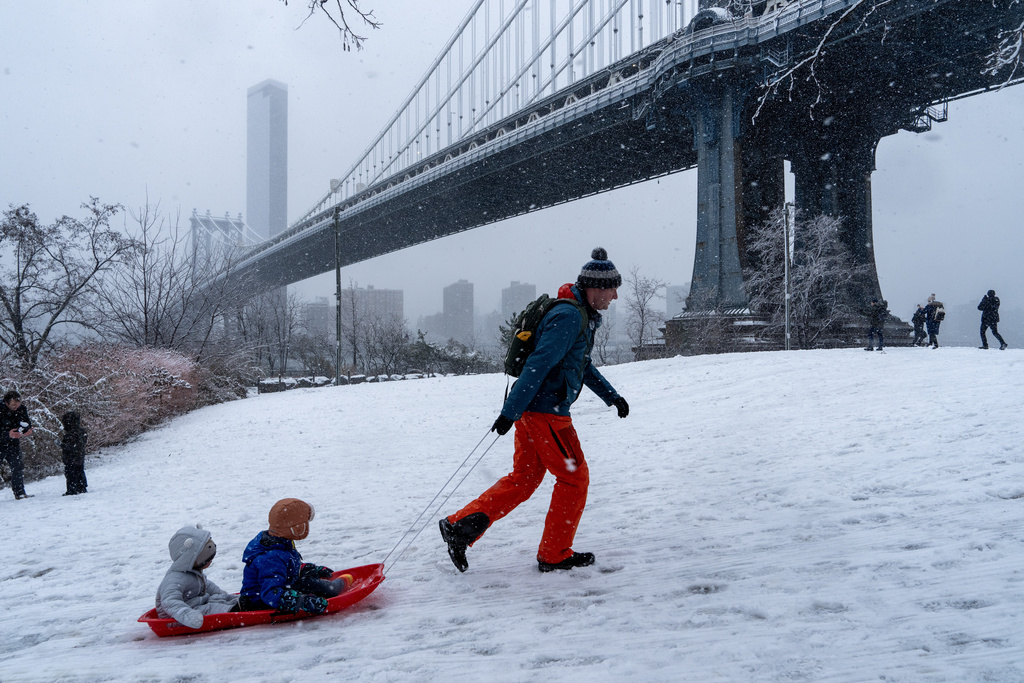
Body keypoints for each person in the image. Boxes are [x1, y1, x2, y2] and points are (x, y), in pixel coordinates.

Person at [440, 247, 629, 574]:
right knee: (574, 479)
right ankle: (554, 554)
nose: (614, 296)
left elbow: (580, 364)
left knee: (524, 478)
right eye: (611, 289)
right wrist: (509, 412)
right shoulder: (569, 316)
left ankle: (460, 527)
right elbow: (537, 365)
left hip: (534, 411)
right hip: (547, 415)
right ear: (595, 288)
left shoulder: (577, 314)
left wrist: (611, 396)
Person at [235, 498, 352, 613]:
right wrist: (303, 601)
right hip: (260, 602)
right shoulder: (272, 557)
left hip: (280, 585)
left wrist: (309, 568)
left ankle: (319, 583)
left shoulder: (279, 542)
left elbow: (288, 566)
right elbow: (270, 593)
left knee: (308, 573)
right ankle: (331, 589)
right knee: (309, 585)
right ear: (295, 528)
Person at [155, 524, 238, 628]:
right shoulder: (174, 579)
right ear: (190, 559)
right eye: (207, 559)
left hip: (196, 605)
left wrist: (223, 595)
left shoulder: (193, 571)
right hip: (178, 617)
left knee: (220, 599)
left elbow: (207, 585)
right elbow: (170, 602)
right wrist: (189, 615)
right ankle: (237, 611)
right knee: (212, 608)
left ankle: (243, 602)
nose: (210, 561)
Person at [0, 390, 34, 500]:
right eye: (13, 405)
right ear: (6, 402)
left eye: (17, 404)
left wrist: (27, 431)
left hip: (13, 444)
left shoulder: (22, 409)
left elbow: (26, 423)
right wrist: (7, 434)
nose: (16, 407)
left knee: (18, 467)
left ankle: (19, 492)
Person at [60, 411, 88, 495]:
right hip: (79, 457)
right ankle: (81, 487)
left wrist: (61, 444)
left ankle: (73, 489)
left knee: (71, 473)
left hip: (71, 458)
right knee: (79, 471)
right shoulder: (81, 432)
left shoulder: (70, 434)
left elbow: (69, 447)